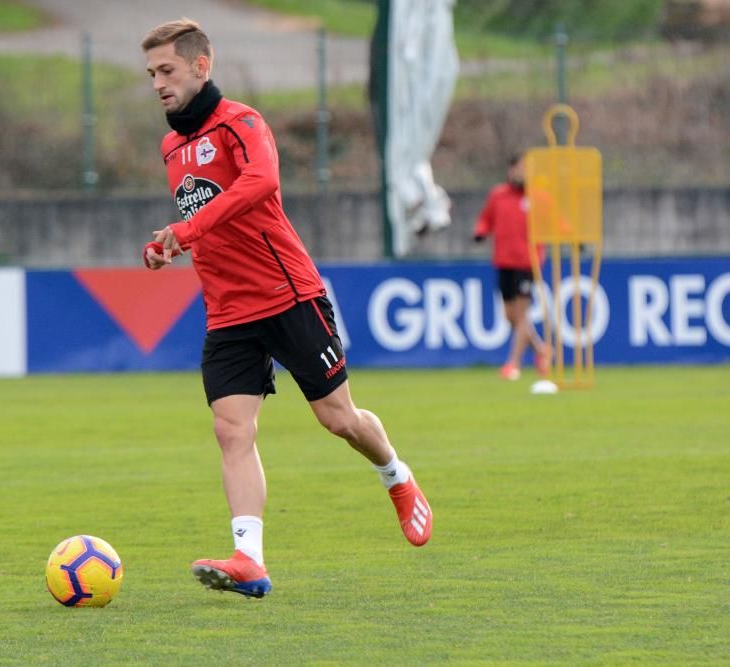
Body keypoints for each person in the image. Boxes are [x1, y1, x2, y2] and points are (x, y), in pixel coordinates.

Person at [140, 18, 432, 599]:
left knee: (338, 420)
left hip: (287, 295)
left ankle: (397, 477)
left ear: (202, 65)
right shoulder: (171, 144)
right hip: (227, 312)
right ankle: (249, 559)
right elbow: (207, 221)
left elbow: (260, 183)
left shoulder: (242, 122)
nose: (157, 84)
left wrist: (189, 228)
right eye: (150, 73)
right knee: (231, 431)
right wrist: (168, 244)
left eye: (166, 70)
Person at [473, 153, 552, 380]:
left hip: (528, 263)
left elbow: (556, 222)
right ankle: (541, 350)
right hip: (504, 262)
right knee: (511, 317)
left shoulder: (539, 197)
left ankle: (513, 364)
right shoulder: (498, 196)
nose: (522, 173)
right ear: (510, 171)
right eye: (518, 168)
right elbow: (486, 219)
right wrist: (481, 231)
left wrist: (575, 239)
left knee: (521, 312)